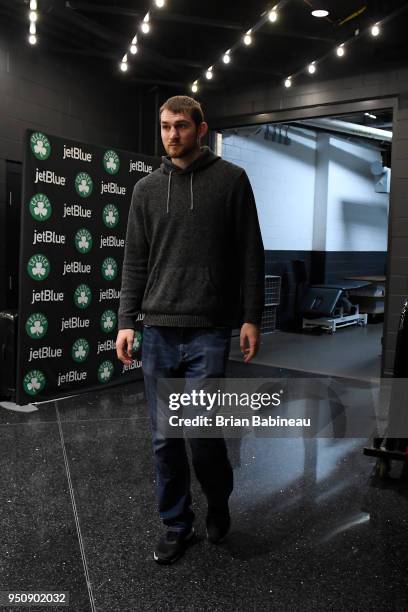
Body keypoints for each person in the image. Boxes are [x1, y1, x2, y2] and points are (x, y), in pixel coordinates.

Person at [116, 95, 265, 565]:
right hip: (158, 329)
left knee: (202, 435)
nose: (171, 135)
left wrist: (251, 315)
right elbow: (134, 262)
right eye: (164, 127)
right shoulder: (145, 190)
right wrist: (125, 321)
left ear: (201, 129)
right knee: (165, 440)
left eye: (180, 126)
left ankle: (217, 501)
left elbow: (250, 254)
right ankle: (176, 524)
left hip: (208, 330)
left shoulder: (231, 181)